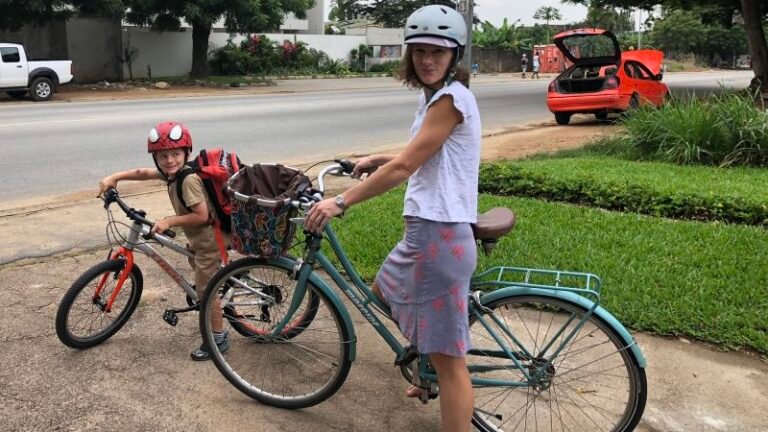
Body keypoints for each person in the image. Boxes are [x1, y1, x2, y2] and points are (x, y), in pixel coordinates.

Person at [304, 5, 480, 432]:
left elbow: (404, 169)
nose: (427, 59)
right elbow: (416, 155)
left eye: (438, 52)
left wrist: (339, 202)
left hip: (440, 238)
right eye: (419, 50)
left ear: (454, 55)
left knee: (453, 364)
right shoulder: (437, 99)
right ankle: (427, 368)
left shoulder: (451, 99)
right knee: (383, 289)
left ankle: (436, 371)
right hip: (428, 234)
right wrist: (378, 159)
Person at [98, 121, 230, 361]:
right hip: (199, 239)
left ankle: (218, 339)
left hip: (210, 239)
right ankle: (219, 289)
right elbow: (144, 173)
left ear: (186, 153)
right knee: (202, 273)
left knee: (205, 290)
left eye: (175, 154)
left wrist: (170, 221)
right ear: (156, 158)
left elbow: (201, 216)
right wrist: (114, 177)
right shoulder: (172, 174)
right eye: (163, 156)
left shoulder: (187, 180)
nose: (170, 160)